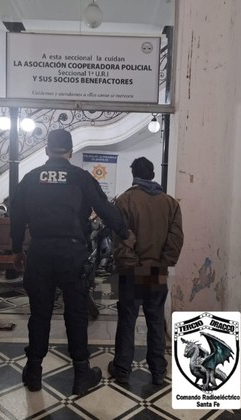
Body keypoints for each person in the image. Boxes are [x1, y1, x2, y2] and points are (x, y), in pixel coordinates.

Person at [9, 129, 135, 396]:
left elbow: (16, 217)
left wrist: (16, 250)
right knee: (76, 314)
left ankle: (34, 372)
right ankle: (81, 374)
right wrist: (125, 233)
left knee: (39, 314)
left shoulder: (31, 178)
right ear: (70, 151)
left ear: (46, 150)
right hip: (72, 253)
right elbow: (104, 208)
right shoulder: (80, 177)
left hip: (40, 252)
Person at [107, 157, 184, 385]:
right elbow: (176, 240)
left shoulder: (125, 200)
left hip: (131, 271)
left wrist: (132, 264)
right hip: (156, 271)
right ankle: (158, 371)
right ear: (152, 175)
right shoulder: (170, 203)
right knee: (156, 320)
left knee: (127, 320)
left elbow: (120, 239)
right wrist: (161, 264)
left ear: (134, 175)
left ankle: (122, 369)